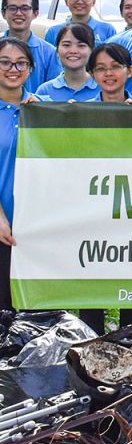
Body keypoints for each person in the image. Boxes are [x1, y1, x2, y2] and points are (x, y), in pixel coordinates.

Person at [0, 39, 36, 311]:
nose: (13, 68)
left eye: (21, 63)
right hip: (3, 224)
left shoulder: (43, 109)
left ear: (31, 68)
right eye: (4, 62)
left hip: (36, 229)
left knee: (31, 314)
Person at [2, 0, 58, 94]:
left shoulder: (49, 53)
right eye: (12, 8)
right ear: (3, 13)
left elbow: (53, 93)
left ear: (35, 13)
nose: (18, 13)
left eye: (25, 8)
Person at [45, 0, 117, 45]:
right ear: (66, 1)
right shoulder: (53, 32)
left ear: (93, 2)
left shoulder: (108, 30)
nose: (80, 2)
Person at [36, 23, 97, 101]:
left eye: (81, 45)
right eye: (66, 45)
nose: (73, 51)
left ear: (91, 51)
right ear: (57, 51)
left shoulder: (103, 88)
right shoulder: (44, 90)